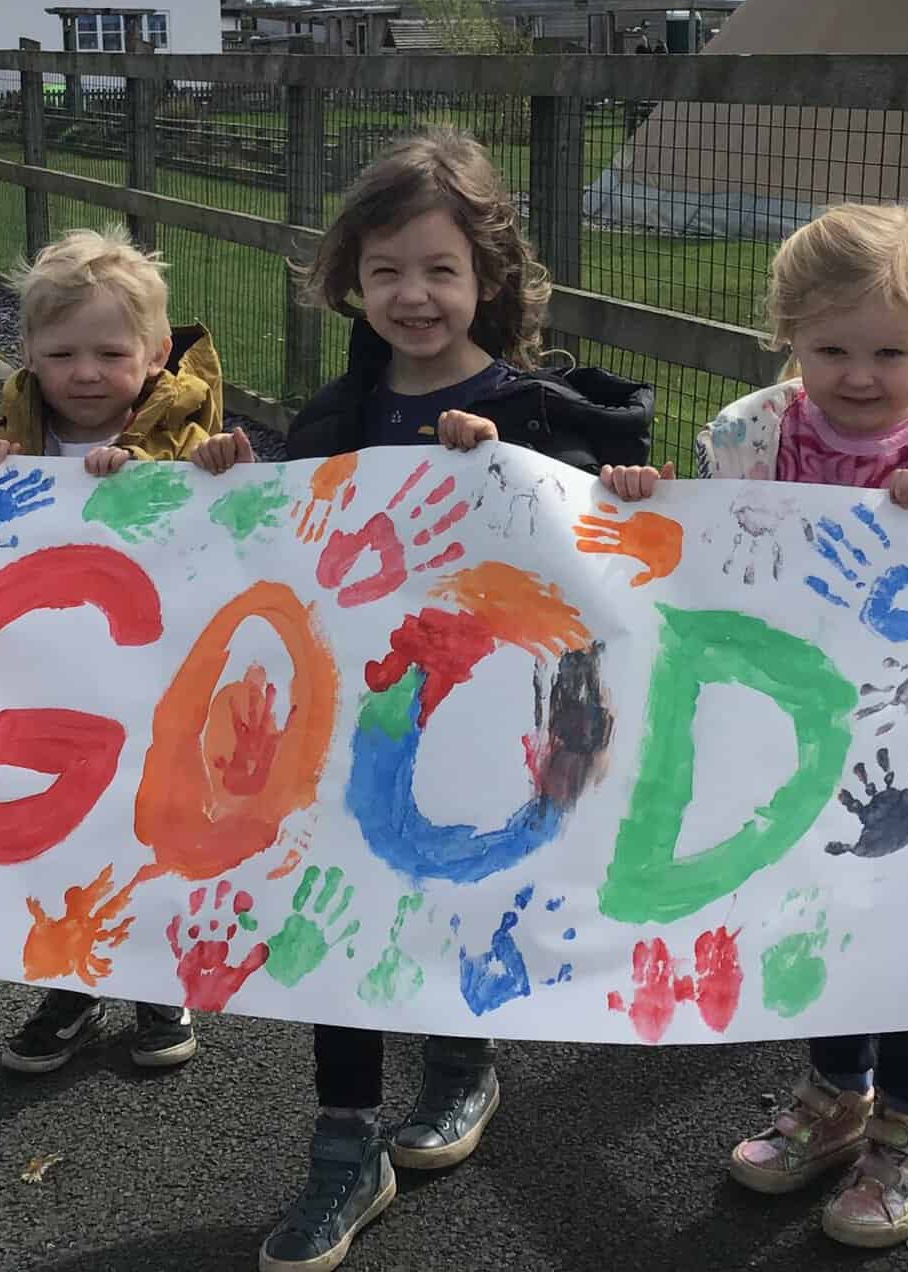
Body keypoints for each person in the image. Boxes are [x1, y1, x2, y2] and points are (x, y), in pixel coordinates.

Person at [192, 128, 653, 1272]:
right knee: (334, 916)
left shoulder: (540, 412)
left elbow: (611, 556)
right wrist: (220, 490)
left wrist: (599, 482)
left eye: (440, 270)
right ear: (351, 277)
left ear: (487, 278)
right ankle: (346, 1140)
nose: (414, 295)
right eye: (388, 269)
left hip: (491, 729)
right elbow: (282, 556)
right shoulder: (336, 420)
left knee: (457, 891)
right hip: (358, 730)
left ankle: (461, 1055)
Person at [597, 201, 908, 1250]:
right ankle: (837, 1095)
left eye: (892, 350)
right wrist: (651, 500)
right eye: (831, 348)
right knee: (817, 909)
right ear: (789, 334)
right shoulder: (755, 433)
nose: (862, 374)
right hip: (791, 731)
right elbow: (713, 551)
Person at [0, 225, 221, 1077]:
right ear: (29, 351)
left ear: (152, 355)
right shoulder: (18, 432)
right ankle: (71, 980)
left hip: (152, 684)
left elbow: (222, 523)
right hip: (54, 684)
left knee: (147, 824)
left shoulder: (182, 438)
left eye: (109, 353)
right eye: (61, 351)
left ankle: (156, 979)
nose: (83, 373)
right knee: (65, 835)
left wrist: (166, 469)